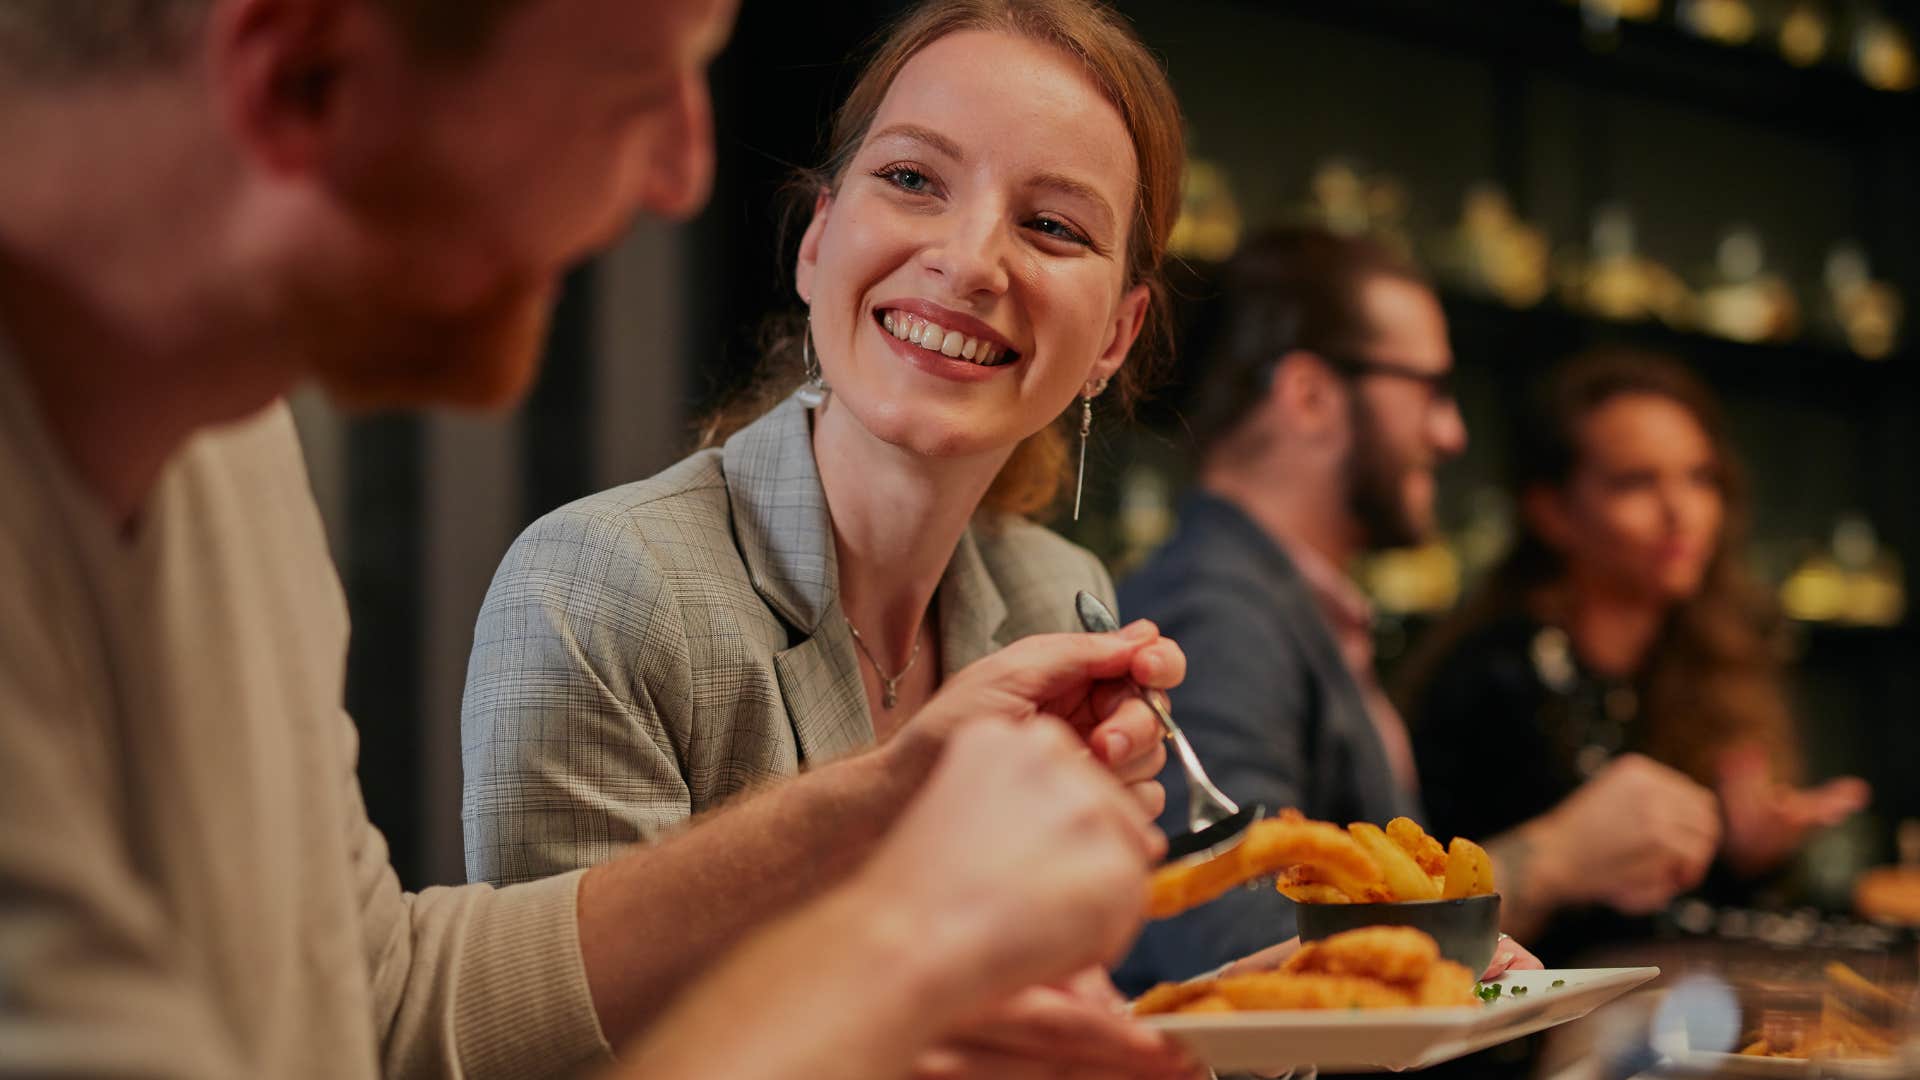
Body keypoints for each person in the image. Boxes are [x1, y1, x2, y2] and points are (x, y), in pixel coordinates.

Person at [0, 1, 1195, 1076]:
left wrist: (882, 802)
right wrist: (906, 943)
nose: (683, 172)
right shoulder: (605, 578)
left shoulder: (232, 441)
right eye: (636, 88)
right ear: (302, 75)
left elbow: (379, 998)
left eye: (1050, 224)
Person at [461, 0, 1185, 877]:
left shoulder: (1062, 597)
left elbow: (1046, 1003)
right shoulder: (598, 592)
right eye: (914, 179)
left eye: (1054, 226)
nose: (967, 262)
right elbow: (570, 1017)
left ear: (1115, 336)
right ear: (817, 238)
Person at [1115, 229, 1724, 994]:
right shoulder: (1216, 611)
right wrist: (1553, 858)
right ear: (1309, 397)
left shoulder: (1286, 606)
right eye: (1429, 390)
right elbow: (1230, 945)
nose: (1451, 432)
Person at [1401, 348, 1869, 962]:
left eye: (1700, 478)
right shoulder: (1494, 675)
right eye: (1636, 482)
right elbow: (1426, 923)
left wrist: (1750, 856)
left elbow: (1676, 915)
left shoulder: (1712, 658)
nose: (1681, 513)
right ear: (1552, 512)